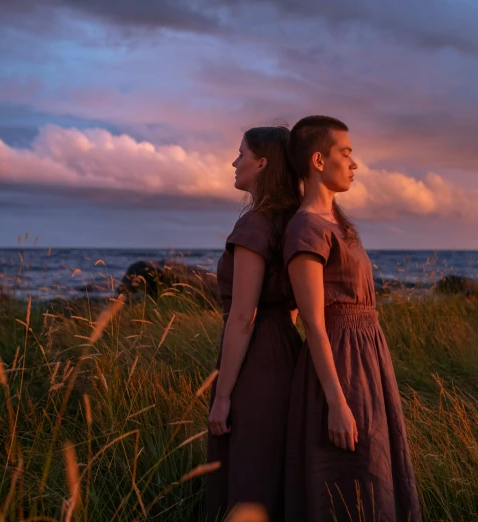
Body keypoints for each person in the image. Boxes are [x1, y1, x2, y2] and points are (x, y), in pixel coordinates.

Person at [283, 116, 421, 521]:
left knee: (377, 474)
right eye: (346, 153)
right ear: (318, 160)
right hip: (342, 365)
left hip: (367, 359)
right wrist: (336, 402)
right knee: (350, 481)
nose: (354, 163)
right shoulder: (306, 229)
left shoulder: (338, 222)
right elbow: (314, 324)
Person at [206, 126, 303, 522]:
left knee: (249, 473)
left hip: (256, 362)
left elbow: (244, 318)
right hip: (288, 351)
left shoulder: (255, 226)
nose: (234, 161)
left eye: (240, 153)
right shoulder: (294, 222)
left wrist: (223, 395)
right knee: (278, 469)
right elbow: (293, 306)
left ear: (261, 163)